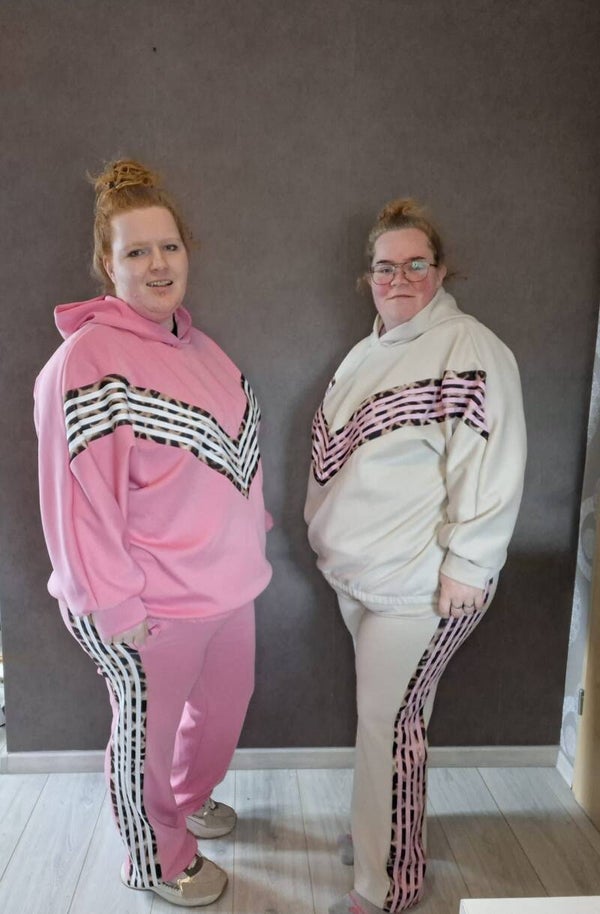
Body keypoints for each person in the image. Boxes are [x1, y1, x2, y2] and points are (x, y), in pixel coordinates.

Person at [34, 159, 272, 907]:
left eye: (168, 246)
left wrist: (252, 537)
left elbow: (236, 463)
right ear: (109, 266)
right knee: (145, 738)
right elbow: (76, 504)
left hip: (228, 589)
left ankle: (186, 803)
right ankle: (157, 859)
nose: (158, 263)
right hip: (146, 604)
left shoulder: (205, 351)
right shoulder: (86, 363)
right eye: (136, 251)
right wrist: (116, 605)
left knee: (220, 713)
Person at [305, 199, 526, 913]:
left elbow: (491, 465)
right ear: (367, 277)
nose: (398, 278)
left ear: (441, 270)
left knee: (387, 724)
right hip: (361, 579)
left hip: (423, 587)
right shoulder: (364, 354)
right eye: (384, 267)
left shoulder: (469, 348)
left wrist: (469, 563)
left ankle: (387, 886)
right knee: (395, 725)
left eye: (415, 264)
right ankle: (386, 833)